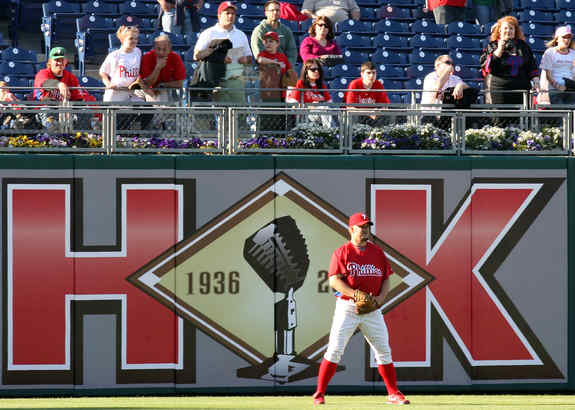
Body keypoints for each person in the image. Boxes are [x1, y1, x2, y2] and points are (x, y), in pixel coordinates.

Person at [312, 212, 409, 406]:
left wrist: (380, 299)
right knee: (335, 350)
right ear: (351, 229)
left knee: (383, 350)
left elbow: (386, 278)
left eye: (367, 227)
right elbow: (334, 281)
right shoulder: (342, 252)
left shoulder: (377, 252)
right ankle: (319, 393)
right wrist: (355, 294)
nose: (365, 231)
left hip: (372, 308)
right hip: (347, 306)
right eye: (361, 227)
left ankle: (393, 393)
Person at [193, 1, 253, 104]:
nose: (230, 16)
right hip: (214, 80)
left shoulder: (241, 34)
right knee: (220, 114)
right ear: (219, 15)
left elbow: (249, 57)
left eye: (233, 14)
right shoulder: (209, 33)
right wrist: (218, 55)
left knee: (239, 113)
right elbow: (196, 55)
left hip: (235, 80)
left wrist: (245, 59)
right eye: (227, 13)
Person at [480, 16, 540, 107]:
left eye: (511, 28)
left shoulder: (523, 46)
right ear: (499, 30)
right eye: (505, 28)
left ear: (515, 31)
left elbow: (531, 65)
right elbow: (487, 67)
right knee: (500, 120)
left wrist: (536, 80)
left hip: (521, 90)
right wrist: (500, 49)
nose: (508, 31)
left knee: (520, 120)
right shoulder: (492, 46)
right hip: (498, 90)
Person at [33, 47, 95, 130]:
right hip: (45, 109)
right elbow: (44, 83)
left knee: (85, 112)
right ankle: (50, 141)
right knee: (50, 117)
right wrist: (59, 84)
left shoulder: (70, 77)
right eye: (56, 60)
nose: (59, 63)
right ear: (50, 62)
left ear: (66, 62)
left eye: (62, 60)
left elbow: (77, 99)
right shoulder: (43, 73)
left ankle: (78, 140)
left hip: (65, 110)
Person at [99, 25, 145, 102]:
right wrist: (108, 84)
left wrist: (138, 81)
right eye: (131, 38)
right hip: (116, 92)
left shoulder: (138, 52)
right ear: (122, 40)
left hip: (132, 91)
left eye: (136, 39)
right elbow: (102, 72)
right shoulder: (115, 55)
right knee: (113, 113)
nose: (134, 41)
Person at [251, 0, 298, 69]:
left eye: (277, 10)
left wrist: (287, 67)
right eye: (272, 10)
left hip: (284, 68)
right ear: (266, 13)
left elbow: (292, 52)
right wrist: (275, 65)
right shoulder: (259, 31)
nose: (275, 12)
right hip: (266, 70)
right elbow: (259, 56)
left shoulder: (286, 30)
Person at [140, 34, 187, 102]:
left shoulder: (175, 57)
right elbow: (147, 83)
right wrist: (158, 68)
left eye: (164, 49)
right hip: (145, 89)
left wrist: (162, 85)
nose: (161, 52)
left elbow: (180, 83)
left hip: (164, 89)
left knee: (162, 96)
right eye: (158, 49)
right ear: (154, 48)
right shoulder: (147, 57)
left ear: (169, 48)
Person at [286, 58, 332, 126]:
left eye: (318, 69)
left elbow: (330, 103)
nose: (316, 71)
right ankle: (331, 132)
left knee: (330, 110)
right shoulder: (300, 83)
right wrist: (311, 107)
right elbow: (294, 105)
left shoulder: (321, 85)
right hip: (306, 116)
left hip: (321, 115)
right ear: (306, 71)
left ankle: (332, 131)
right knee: (324, 109)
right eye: (313, 70)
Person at [345, 61, 390, 127]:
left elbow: (385, 106)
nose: (371, 75)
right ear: (362, 74)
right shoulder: (354, 84)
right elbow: (350, 108)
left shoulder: (378, 85)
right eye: (368, 73)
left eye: (374, 73)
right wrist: (368, 112)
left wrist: (378, 111)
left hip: (374, 117)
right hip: (358, 117)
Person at [539, 26, 575, 105]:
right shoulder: (549, 52)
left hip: (571, 91)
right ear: (557, 38)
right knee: (560, 114)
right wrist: (558, 86)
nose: (567, 40)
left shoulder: (573, 53)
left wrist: (570, 86)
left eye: (569, 37)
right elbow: (548, 75)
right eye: (564, 37)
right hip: (555, 92)